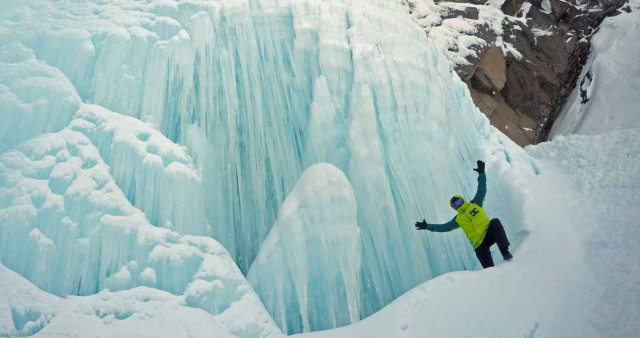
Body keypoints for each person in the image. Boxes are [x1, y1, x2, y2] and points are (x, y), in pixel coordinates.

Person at [415, 160, 513, 268]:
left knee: (495, 222)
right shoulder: (458, 219)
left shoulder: (475, 203)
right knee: (489, 270)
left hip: (488, 233)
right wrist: (428, 226)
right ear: (454, 208)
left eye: (459, 201)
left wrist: (482, 173)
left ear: (462, 200)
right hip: (478, 245)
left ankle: (505, 251)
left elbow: (482, 189)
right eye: (455, 204)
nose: (458, 204)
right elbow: (444, 227)